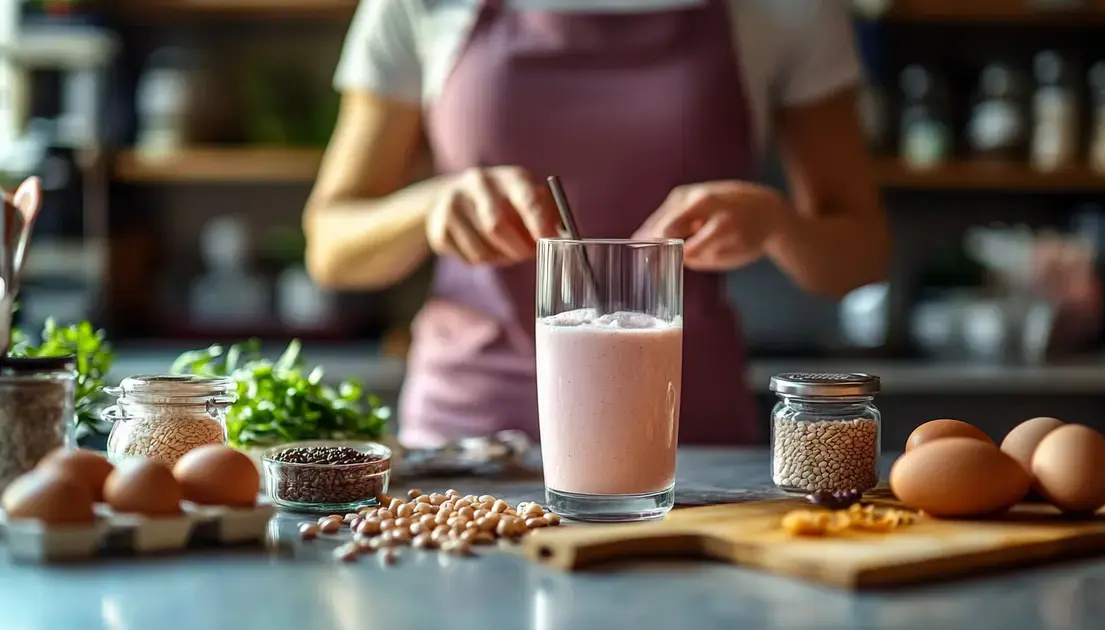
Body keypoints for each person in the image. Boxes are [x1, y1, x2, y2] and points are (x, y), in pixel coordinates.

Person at [303, 0, 890, 448]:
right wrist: (431, 208)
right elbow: (331, 245)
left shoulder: (787, 9)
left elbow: (861, 254)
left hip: (688, 440)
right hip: (473, 443)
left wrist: (776, 223)